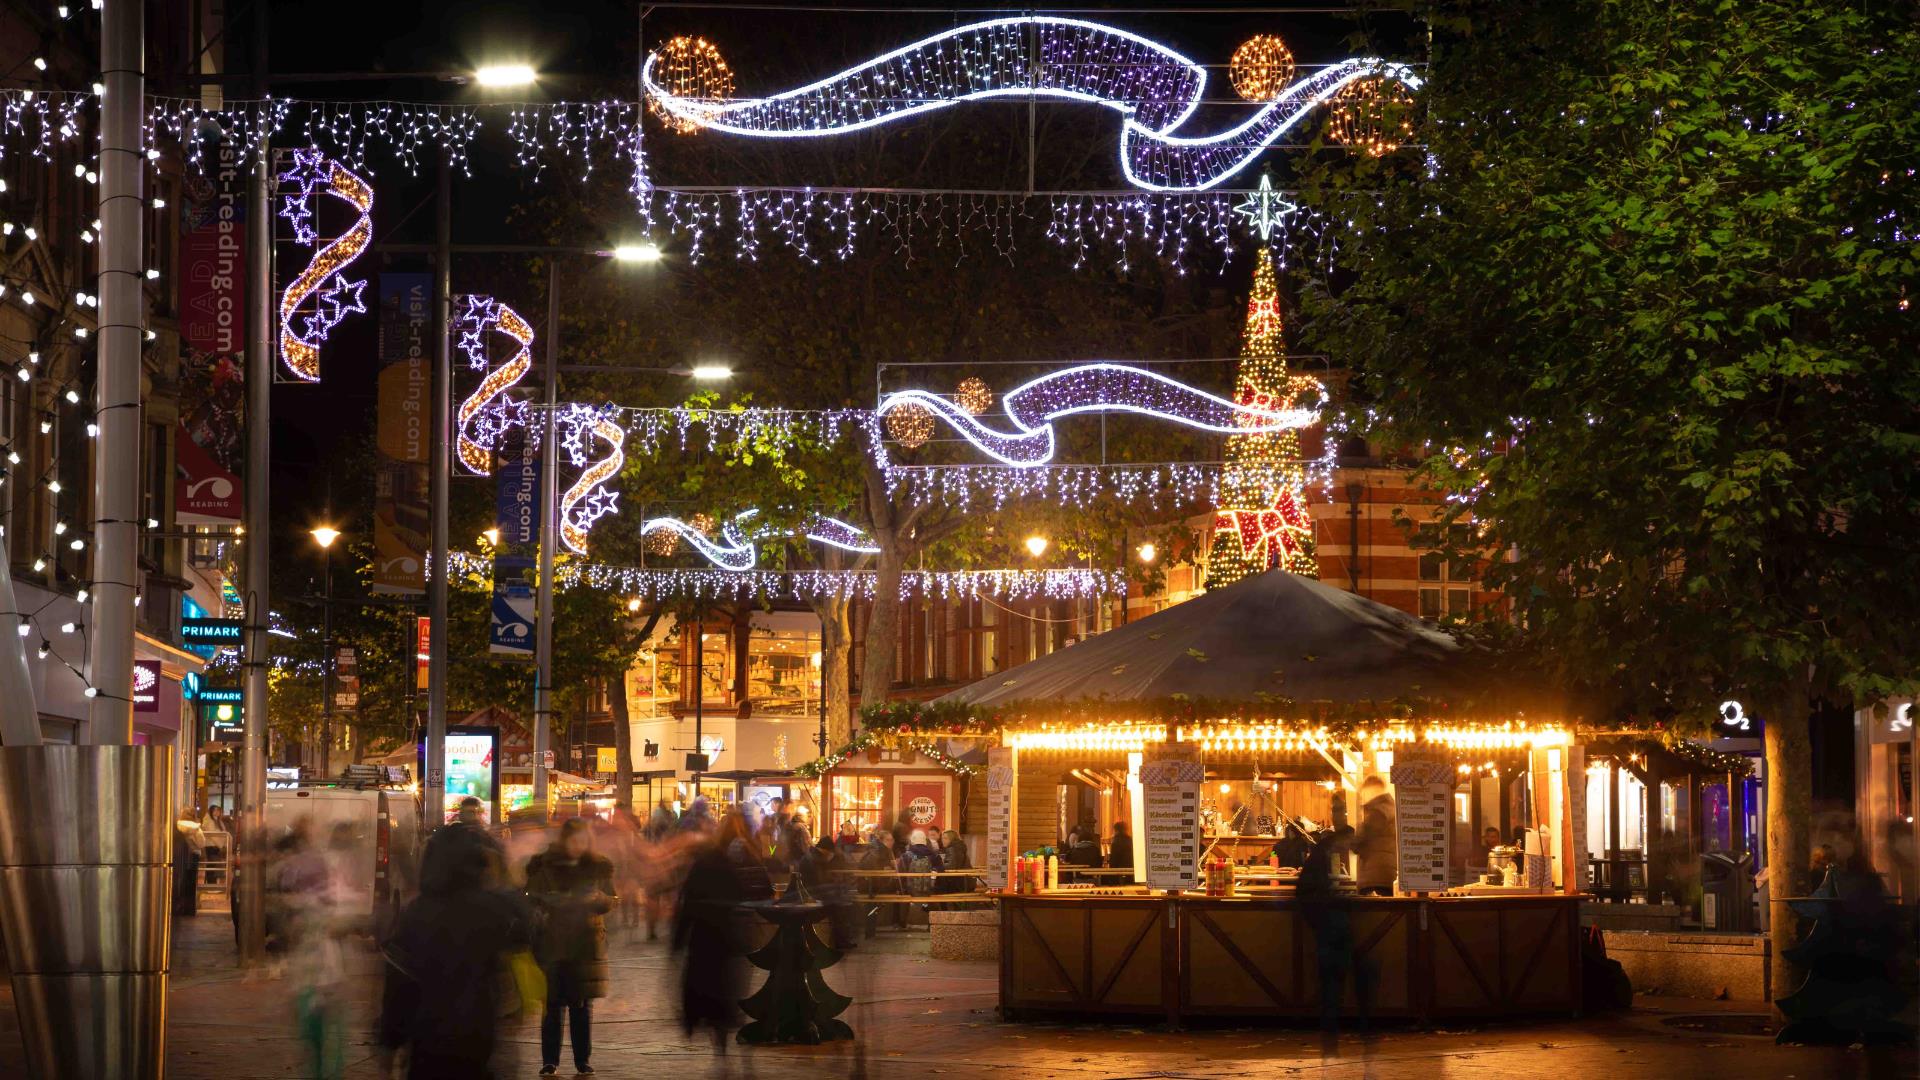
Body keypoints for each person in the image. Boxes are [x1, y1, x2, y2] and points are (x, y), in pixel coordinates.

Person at [377, 812, 536, 1079]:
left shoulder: (416, 913)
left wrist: (390, 1044)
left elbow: (398, 988)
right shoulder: (492, 908)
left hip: (427, 1041)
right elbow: (526, 930)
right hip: (479, 1036)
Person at [524, 818, 616, 1076]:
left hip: (585, 945)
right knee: (552, 1005)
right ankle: (550, 1060)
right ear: (565, 840)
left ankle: (582, 1060)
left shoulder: (599, 868)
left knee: (581, 1006)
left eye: (583, 841)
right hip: (552, 943)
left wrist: (596, 898)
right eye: (574, 841)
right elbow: (529, 896)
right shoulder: (544, 867)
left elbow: (611, 899)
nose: (579, 846)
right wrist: (545, 903)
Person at [673, 815, 747, 1054]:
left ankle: (698, 1024)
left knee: (701, 986)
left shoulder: (700, 867)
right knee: (723, 991)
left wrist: (678, 940)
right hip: (724, 938)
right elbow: (740, 898)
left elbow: (686, 906)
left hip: (702, 938)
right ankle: (720, 1039)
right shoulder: (729, 865)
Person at [1353, 777, 1397, 897]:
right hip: (1387, 874)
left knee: (1374, 913)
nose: (1363, 797)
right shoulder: (1390, 808)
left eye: (1364, 793)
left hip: (1375, 878)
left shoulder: (1377, 813)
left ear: (1371, 790)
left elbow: (1359, 842)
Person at [897, 828, 944, 897]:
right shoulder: (935, 856)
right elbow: (941, 874)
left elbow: (900, 875)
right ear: (925, 841)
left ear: (912, 841)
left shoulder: (905, 856)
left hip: (910, 892)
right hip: (931, 892)